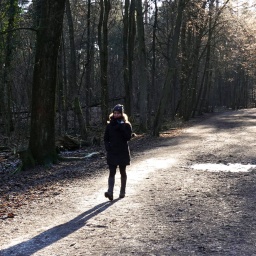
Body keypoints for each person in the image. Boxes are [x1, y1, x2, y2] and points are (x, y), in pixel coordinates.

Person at [104, 104, 132, 201]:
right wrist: (108, 147)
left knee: (122, 171)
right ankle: (110, 192)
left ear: (121, 114)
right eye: (115, 113)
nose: (116, 115)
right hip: (112, 152)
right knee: (112, 172)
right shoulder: (109, 125)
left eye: (118, 113)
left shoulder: (126, 125)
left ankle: (122, 191)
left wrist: (122, 127)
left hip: (122, 151)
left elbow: (128, 137)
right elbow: (105, 139)